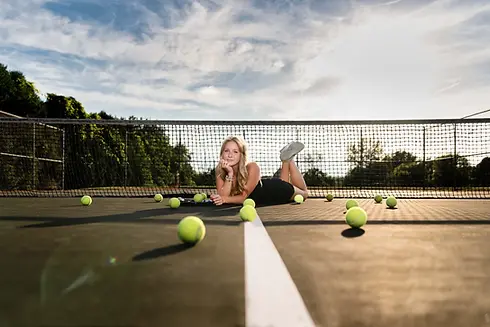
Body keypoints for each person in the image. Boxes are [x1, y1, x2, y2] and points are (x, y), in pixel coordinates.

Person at [210, 136, 309, 206]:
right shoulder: (220, 171)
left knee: (304, 194)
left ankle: (289, 160)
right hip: (269, 198)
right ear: (221, 154)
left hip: (278, 190)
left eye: (235, 151)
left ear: (242, 155)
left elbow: (242, 198)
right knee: (285, 181)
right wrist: (230, 173)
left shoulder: (252, 167)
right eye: (226, 151)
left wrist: (223, 199)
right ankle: (286, 159)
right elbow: (223, 196)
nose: (230, 155)